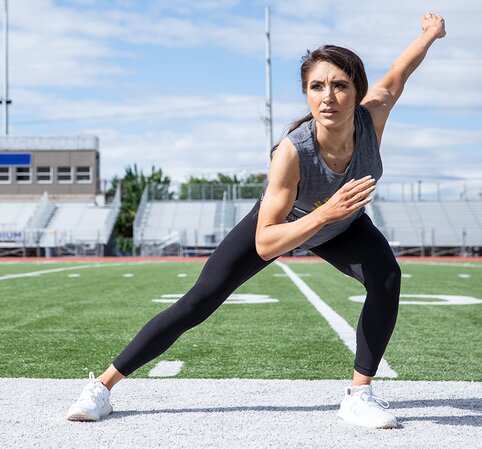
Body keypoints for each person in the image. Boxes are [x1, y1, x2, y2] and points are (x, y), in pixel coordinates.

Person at [67, 12, 446, 428]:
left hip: (340, 223)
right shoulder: (291, 152)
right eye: (316, 87)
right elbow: (267, 243)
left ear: (357, 91)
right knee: (198, 301)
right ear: (305, 94)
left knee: (387, 277)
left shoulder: (372, 117)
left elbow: (400, 70)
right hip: (285, 222)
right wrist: (324, 212)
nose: (328, 97)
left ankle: (359, 394)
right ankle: (102, 387)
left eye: (340, 85)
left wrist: (429, 33)